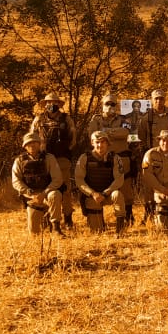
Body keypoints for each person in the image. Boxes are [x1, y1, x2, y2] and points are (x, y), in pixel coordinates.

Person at [29, 91, 76, 228]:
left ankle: (68, 217)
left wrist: (65, 150)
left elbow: (73, 139)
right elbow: (32, 137)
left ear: (58, 104)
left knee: (65, 189)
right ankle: (48, 217)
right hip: (44, 159)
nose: (51, 105)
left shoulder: (66, 119)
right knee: (46, 188)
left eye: (54, 102)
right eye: (48, 102)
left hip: (62, 159)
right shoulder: (39, 119)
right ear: (45, 104)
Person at [137, 88, 168, 223]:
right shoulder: (146, 118)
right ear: (152, 100)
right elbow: (141, 136)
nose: (159, 101)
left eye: (161, 98)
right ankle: (149, 212)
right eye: (156, 99)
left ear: (165, 100)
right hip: (153, 156)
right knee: (149, 185)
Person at [89, 93, 137, 226]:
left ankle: (128, 216)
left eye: (113, 104)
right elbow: (92, 136)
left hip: (122, 158)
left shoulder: (125, 119)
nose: (110, 106)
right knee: (102, 186)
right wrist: (114, 132)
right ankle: (100, 218)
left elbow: (126, 133)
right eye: (107, 104)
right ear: (102, 105)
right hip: (103, 160)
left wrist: (104, 132)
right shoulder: (95, 120)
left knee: (126, 188)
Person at [11, 131, 65, 236]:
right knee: (34, 233)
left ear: (40, 144)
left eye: (35, 142)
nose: (32, 145)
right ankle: (45, 217)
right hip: (32, 197)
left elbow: (57, 179)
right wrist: (30, 193)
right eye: (28, 143)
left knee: (55, 195)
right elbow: (16, 181)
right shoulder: (19, 160)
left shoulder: (49, 158)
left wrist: (44, 193)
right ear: (25, 146)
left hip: (47, 194)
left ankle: (56, 227)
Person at [74, 131, 127, 234]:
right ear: (92, 143)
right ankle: (99, 222)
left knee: (118, 195)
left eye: (103, 142)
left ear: (107, 143)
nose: (100, 145)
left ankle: (120, 228)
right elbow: (79, 180)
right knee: (97, 232)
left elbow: (119, 179)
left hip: (108, 193)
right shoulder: (84, 158)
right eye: (97, 142)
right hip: (92, 196)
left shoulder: (115, 158)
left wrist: (105, 193)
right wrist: (93, 193)